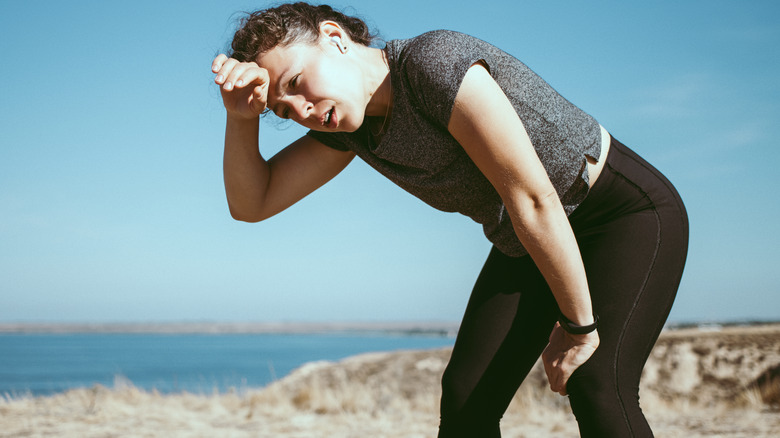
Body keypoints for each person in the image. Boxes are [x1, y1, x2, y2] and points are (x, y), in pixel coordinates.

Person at [211, 2, 688, 437]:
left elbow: (533, 197)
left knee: (596, 382)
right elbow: (254, 204)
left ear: (334, 37)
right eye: (281, 110)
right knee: (466, 401)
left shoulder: (432, 63)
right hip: (526, 239)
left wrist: (578, 329)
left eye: (295, 83)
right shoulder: (353, 132)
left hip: (620, 213)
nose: (301, 111)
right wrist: (241, 118)